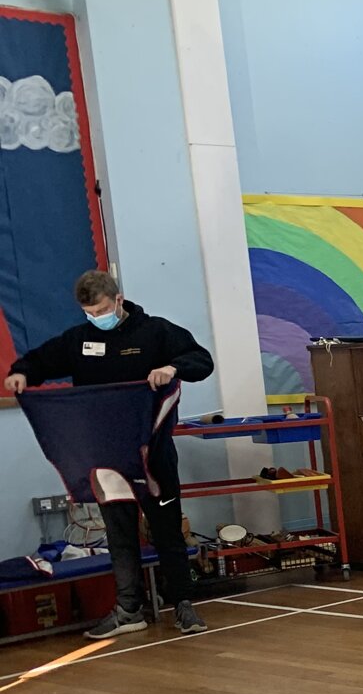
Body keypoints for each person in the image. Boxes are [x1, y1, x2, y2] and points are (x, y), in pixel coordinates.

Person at [3, 270, 214, 638]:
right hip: (105, 459)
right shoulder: (80, 340)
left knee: (167, 531)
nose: (95, 317)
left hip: (153, 455)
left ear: (118, 300)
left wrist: (172, 367)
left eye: (101, 309)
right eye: (88, 312)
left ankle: (183, 605)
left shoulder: (155, 332)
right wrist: (21, 373)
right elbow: (40, 360)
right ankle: (129, 609)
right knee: (118, 535)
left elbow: (201, 360)